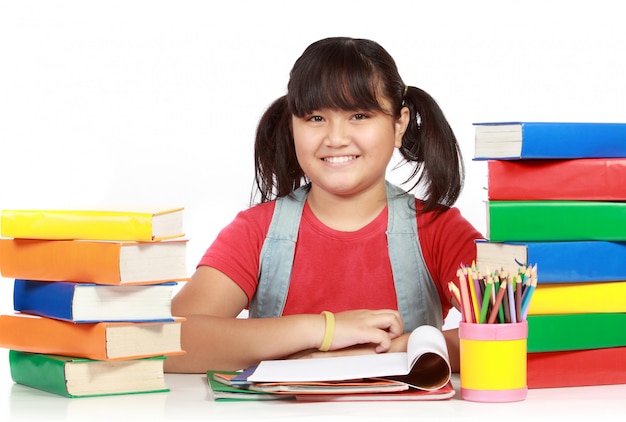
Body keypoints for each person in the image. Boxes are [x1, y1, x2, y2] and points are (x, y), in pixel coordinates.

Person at [165, 37, 483, 374]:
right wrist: (324, 330)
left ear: (399, 124)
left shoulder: (439, 231)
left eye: (359, 115)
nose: (335, 138)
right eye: (315, 118)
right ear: (292, 125)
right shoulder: (257, 231)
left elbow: (520, 332)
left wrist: (401, 348)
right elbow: (165, 343)